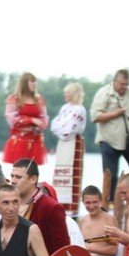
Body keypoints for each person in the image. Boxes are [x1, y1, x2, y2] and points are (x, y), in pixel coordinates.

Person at [90, 69, 129, 201]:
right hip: (109, 140)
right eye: (121, 84)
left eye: (126, 84)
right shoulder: (104, 93)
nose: (124, 87)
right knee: (110, 174)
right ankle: (108, 203)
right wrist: (114, 114)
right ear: (114, 81)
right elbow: (94, 116)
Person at [50, 83, 87, 216]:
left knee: (71, 176)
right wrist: (61, 128)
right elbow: (55, 124)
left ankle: (71, 210)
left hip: (73, 142)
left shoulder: (80, 109)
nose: (65, 95)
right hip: (62, 144)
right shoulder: (64, 108)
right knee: (60, 174)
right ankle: (59, 206)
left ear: (74, 93)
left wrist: (62, 128)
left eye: (67, 92)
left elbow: (71, 128)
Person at [3, 73, 48, 165]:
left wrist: (40, 125)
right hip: (19, 141)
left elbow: (44, 118)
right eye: (32, 81)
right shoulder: (14, 99)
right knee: (20, 168)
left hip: (35, 141)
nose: (35, 84)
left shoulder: (39, 100)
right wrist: (31, 120)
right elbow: (11, 119)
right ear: (24, 83)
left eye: (35, 81)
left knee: (32, 170)